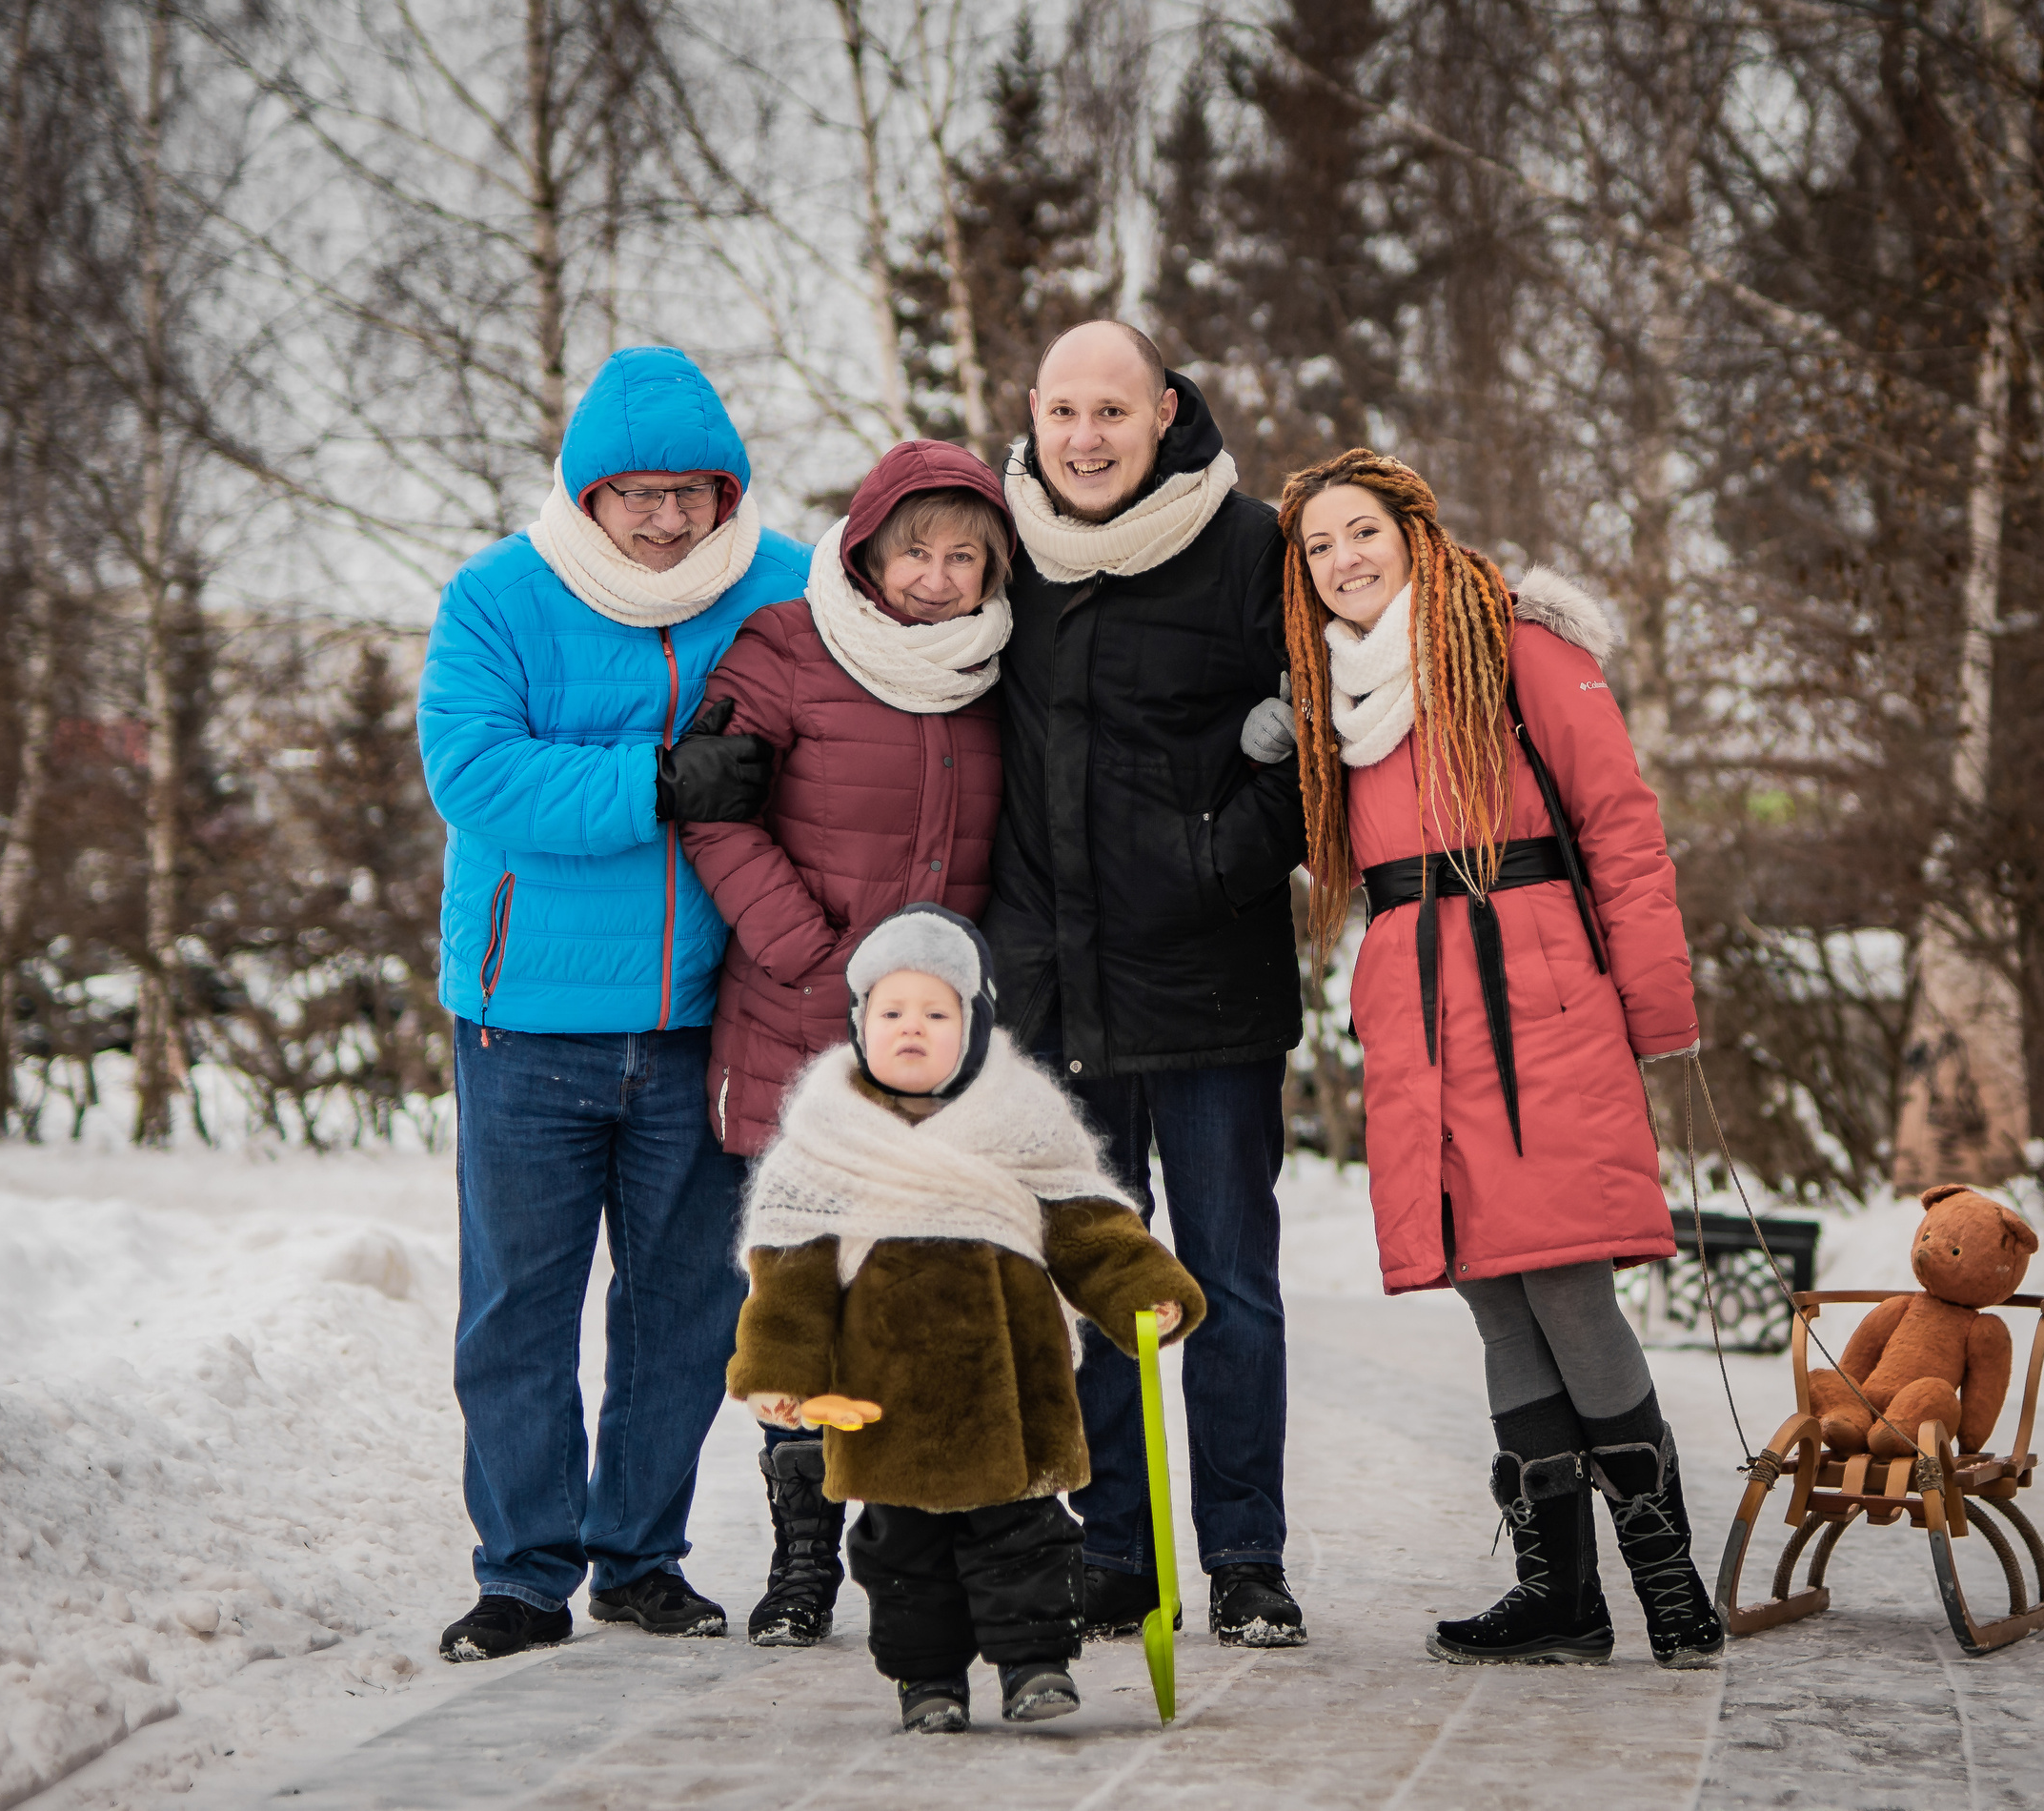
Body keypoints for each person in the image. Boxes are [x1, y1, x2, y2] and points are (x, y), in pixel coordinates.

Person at [1257, 446, 1723, 1668]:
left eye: (1361, 532)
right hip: (1414, 1007)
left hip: (1539, 997)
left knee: (1565, 1281)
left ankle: (1670, 1586)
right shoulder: (1334, 699)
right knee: (1492, 1294)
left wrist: (1658, 1003)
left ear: (1412, 531)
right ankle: (1559, 1596)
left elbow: (1621, 823)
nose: (1343, 560)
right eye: (1317, 546)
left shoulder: (1514, 646)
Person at [420, 346, 810, 1661]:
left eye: (689, 491)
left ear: (725, 487)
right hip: (523, 1019)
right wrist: (659, 781)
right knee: (519, 1305)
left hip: (707, 1014)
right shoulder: (498, 599)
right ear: (587, 495)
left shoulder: (788, 589)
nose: (663, 518)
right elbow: (478, 775)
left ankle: (640, 1558)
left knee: (682, 1305)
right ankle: (523, 1574)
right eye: (634, 494)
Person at [982, 319, 1308, 1647]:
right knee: (1094, 1289)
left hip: (1213, 986)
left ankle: (1244, 1556)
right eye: (1065, 410)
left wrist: (1222, 851)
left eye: (1112, 410)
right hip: (1059, 999)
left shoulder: (1249, 546)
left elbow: (1317, 730)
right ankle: (1117, 1549)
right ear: (1036, 415)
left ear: (1166, 412)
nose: (1086, 437)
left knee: (1226, 1280)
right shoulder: (1006, 553)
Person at [680, 440, 1014, 1646]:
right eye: (915, 549)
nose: (936, 577)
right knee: (802, 1298)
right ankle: (802, 1553)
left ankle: (912, 1557)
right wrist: (812, 956)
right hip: (800, 1026)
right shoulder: (785, 645)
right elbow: (711, 806)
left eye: (964, 554)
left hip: (941, 1050)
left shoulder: (993, 666)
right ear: (868, 544)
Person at [725, 904, 1207, 1732]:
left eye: (937, 1012)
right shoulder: (825, 1142)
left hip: (1011, 1389)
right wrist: (780, 1369)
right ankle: (928, 1681)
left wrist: (1140, 1289)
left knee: (1023, 1533)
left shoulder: (1022, 1122)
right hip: (885, 1400)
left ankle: (1034, 1665)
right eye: (892, 1012)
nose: (912, 1027)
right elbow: (792, 1273)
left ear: (977, 1026)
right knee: (899, 1553)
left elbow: (1087, 1224)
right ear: (859, 1023)